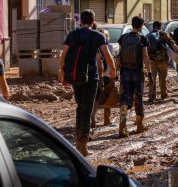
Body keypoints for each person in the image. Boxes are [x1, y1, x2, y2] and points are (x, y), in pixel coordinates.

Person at [59, 9, 116, 156]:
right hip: (91, 77)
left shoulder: (73, 35)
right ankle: (82, 145)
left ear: (81, 21)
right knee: (87, 109)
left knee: (80, 106)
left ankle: (79, 137)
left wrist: (62, 72)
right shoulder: (98, 36)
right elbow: (107, 55)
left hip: (74, 76)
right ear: (93, 21)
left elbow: (63, 55)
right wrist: (113, 70)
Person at [116, 16, 152, 138]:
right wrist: (150, 72)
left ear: (132, 25)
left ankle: (122, 125)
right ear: (141, 26)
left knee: (124, 100)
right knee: (138, 98)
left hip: (125, 73)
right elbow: (145, 56)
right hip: (137, 72)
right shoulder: (142, 38)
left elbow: (119, 56)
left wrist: (115, 71)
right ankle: (139, 125)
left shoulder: (123, 38)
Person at [147, 21, 178, 102]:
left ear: (153, 26)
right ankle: (163, 94)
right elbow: (172, 43)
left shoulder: (148, 35)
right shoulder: (164, 34)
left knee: (152, 78)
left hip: (152, 60)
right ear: (160, 26)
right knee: (162, 78)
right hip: (163, 60)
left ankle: (151, 96)